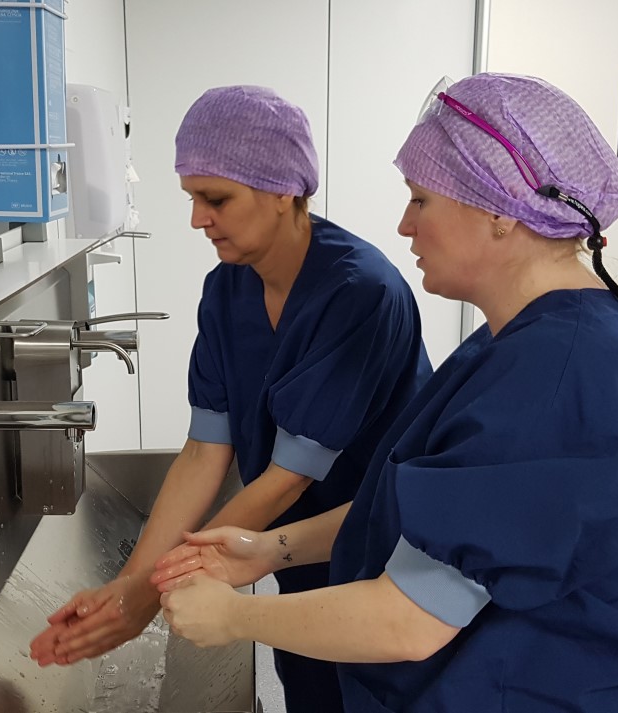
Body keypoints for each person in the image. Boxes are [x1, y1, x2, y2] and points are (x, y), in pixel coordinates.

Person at [151, 73, 618, 713]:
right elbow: (426, 520)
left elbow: (409, 621)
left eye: (421, 200)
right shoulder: (524, 342)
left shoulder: (555, 377)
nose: (404, 225)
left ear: (499, 210)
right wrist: (269, 549)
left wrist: (233, 618)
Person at [29, 85, 431, 713]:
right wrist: (129, 586)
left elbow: (287, 479)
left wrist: (147, 597)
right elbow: (202, 454)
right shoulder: (226, 291)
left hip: (378, 559)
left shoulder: (360, 293)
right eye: (192, 198)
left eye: (216, 199)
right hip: (289, 559)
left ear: (284, 191)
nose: (197, 219)